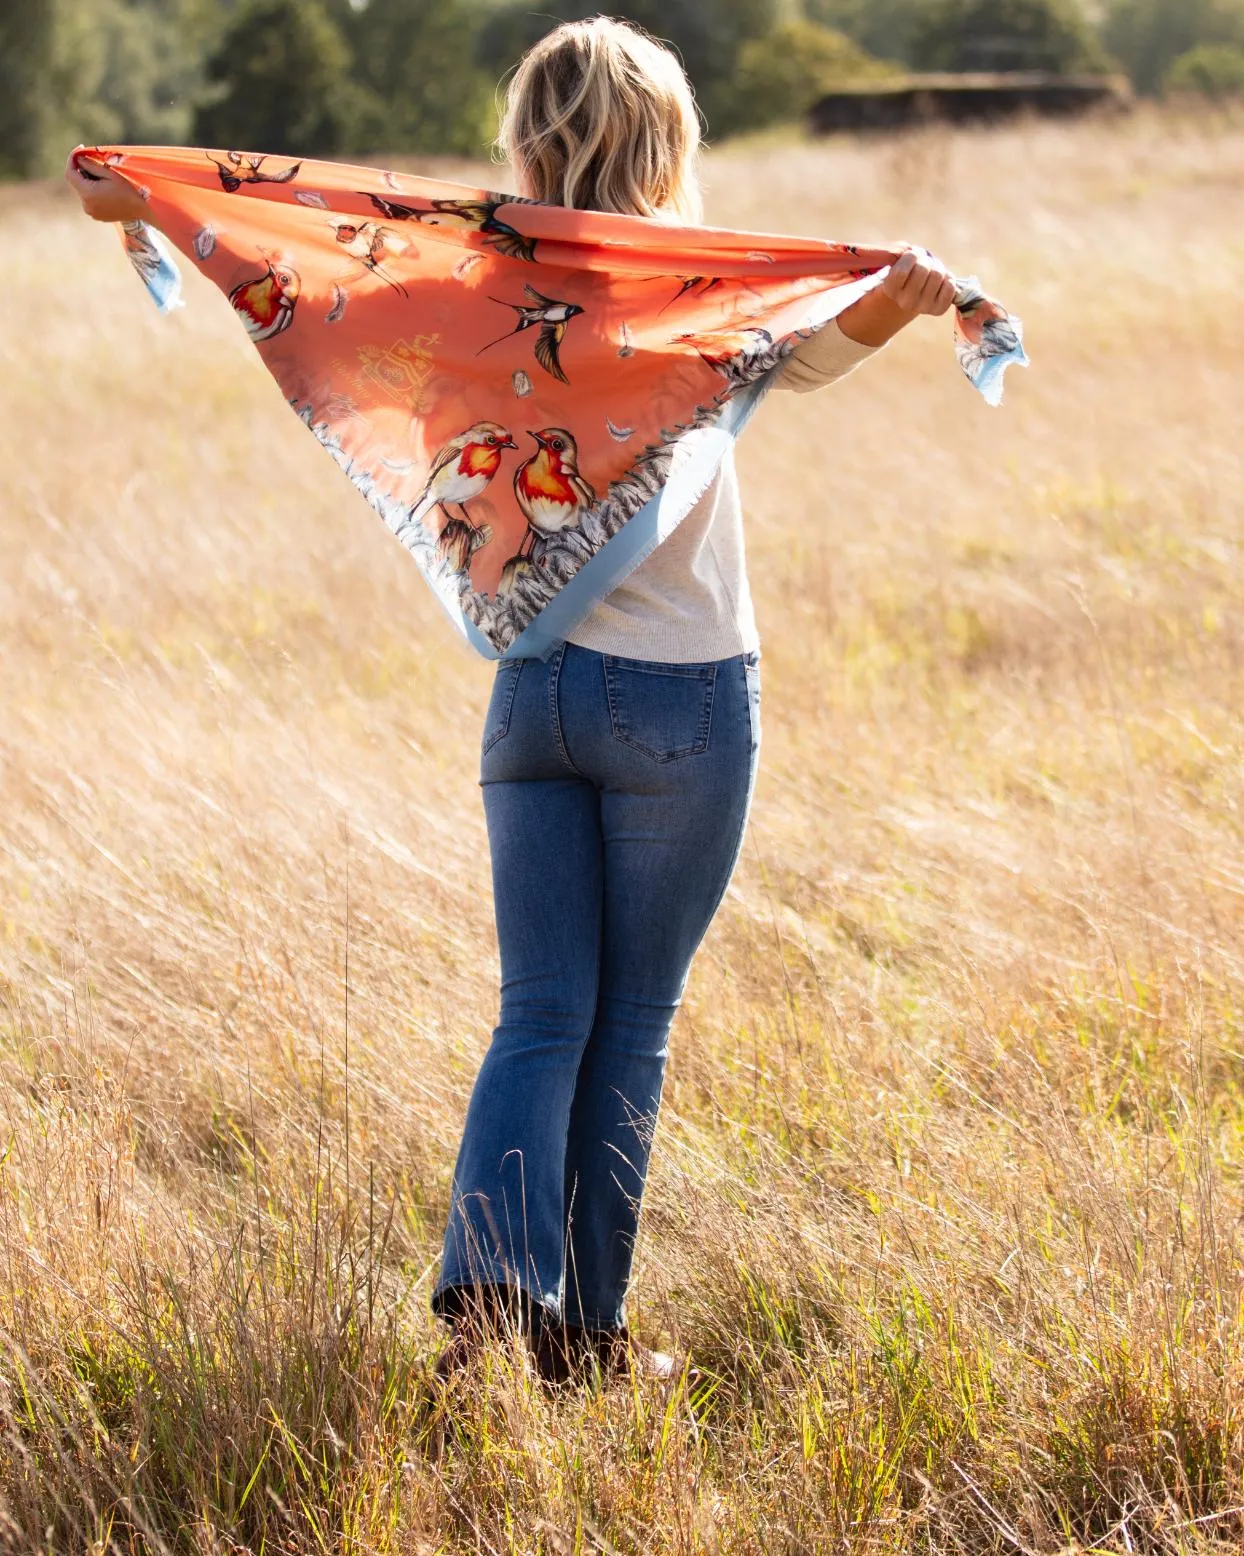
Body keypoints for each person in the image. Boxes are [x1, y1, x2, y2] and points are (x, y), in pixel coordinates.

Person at [66, 16, 955, 1387]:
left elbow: (307, 249)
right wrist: (901, 300)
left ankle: (494, 1301)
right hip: (681, 710)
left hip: (532, 706)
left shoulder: (466, 282)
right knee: (632, 1023)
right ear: (669, 147)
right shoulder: (694, 295)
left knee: (540, 1014)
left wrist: (153, 197)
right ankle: (582, 1343)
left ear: (527, 138)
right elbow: (806, 346)